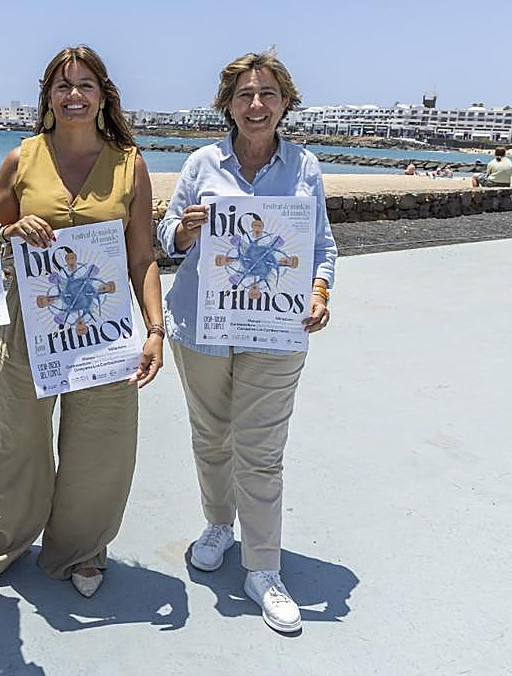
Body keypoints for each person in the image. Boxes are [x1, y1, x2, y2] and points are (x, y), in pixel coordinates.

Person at [0, 45, 165, 605]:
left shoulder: (130, 163)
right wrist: (13, 230)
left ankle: (81, 549)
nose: (73, 95)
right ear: (48, 96)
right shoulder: (21, 158)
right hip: (30, 324)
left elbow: (142, 257)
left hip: (106, 328)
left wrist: (155, 329)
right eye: (62, 85)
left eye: (85, 86)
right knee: (15, 438)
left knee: (101, 441)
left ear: (104, 96)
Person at [157, 49, 336, 635]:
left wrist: (319, 292)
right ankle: (217, 525)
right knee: (211, 438)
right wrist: (180, 229)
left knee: (260, 451)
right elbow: (168, 238)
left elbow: (321, 249)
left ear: (285, 103)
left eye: (267, 95)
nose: (255, 106)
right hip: (201, 326)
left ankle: (264, 568)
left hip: (275, 332)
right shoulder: (201, 162)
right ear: (227, 105)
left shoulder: (305, 168)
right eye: (244, 96)